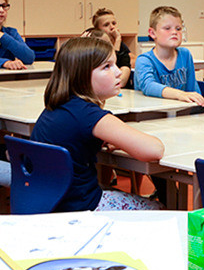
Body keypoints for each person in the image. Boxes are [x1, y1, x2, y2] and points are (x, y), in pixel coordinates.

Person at [30, 37, 164, 212]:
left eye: (115, 64)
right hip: (79, 207)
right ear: (82, 75)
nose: (118, 73)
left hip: (48, 200)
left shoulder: (59, 105)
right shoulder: (88, 115)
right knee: (158, 208)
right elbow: (155, 150)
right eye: (106, 67)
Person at [134, 6, 204, 111]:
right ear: (153, 33)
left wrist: (197, 101)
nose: (174, 32)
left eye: (178, 28)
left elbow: (192, 89)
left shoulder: (185, 54)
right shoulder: (144, 60)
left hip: (185, 109)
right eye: (167, 28)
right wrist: (180, 95)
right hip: (157, 111)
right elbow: (148, 86)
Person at [89, 8, 132, 88]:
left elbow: (121, 81)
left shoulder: (122, 48)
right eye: (106, 25)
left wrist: (118, 41)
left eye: (114, 23)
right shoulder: (93, 50)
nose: (112, 27)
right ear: (98, 30)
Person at [0, 0, 35, 70]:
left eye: (4, 6)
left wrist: (3, 37)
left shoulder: (11, 33)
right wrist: (5, 63)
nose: (1, 10)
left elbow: (29, 58)